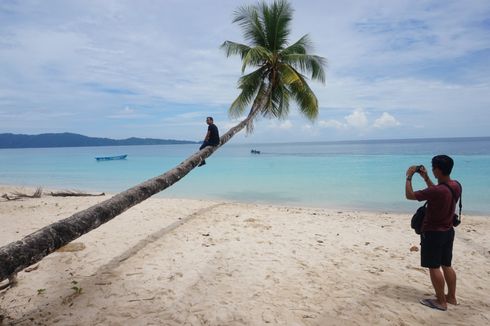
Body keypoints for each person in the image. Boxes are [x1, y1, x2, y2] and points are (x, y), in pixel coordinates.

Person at [405, 155, 461, 311]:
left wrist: (409, 177)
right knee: (446, 265)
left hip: (433, 233)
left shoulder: (437, 191)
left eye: (433, 168)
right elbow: (436, 191)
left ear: (437, 169)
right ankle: (451, 297)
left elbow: (409, 195)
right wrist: (426, 178)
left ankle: (441, 302)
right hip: (448, 231)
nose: (432, 170)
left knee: (434, 267)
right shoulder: (456, 185)